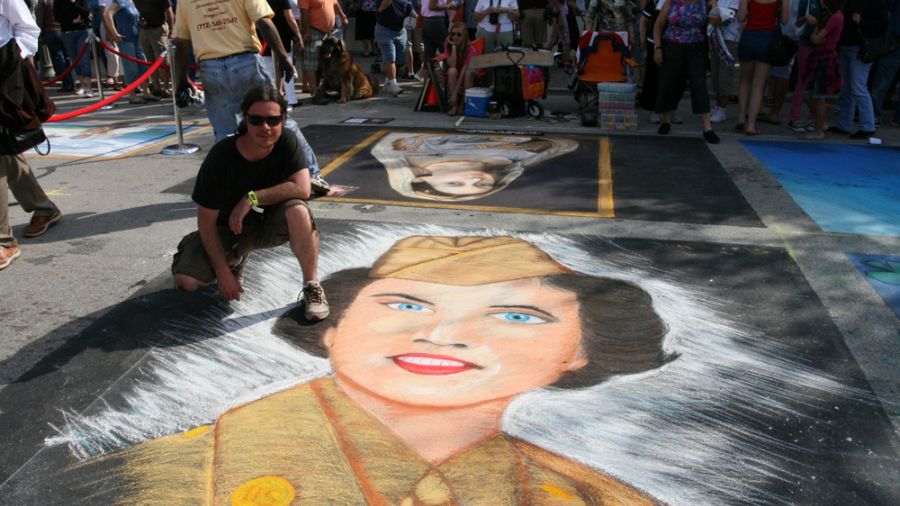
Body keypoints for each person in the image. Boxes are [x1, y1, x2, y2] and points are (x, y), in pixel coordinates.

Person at [81, 235, 671, 504]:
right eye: (406, 305)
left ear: (579, 350)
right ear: (332, 327)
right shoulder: (142, 483)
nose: (442, 335)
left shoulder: (601, 498)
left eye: (515, 315)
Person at [171, 85, 329, 321]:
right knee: (187, 282)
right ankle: (234, 259)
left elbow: (303, 188)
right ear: (245, 119)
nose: (265, 127)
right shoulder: (221, 157)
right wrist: (222, 272)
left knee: (298, 210)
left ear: (283, 120)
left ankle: (311, 285)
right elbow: (206, 222)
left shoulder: (287, 141)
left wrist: (251, 198)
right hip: (229, 229)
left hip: (269, 224)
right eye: (256, 120)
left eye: (273, 120)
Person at [172, 0, 329, 194]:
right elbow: (264, 22)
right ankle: (311, 173)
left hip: (211, 68)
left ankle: (230, 184)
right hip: (245, 62)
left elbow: (181, 40)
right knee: (278, 120)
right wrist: (283, 57)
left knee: (224, 132)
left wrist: (181, 80)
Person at [1, 0, 63, 270]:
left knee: (1, 150)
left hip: (4, 72)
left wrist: (17, 61)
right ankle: (43, 207)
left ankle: (3, 241)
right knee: (6, 151)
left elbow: (27, 29)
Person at [374, 132, 578, 200]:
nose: (473, 179)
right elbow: (559, 144)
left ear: (421, 179)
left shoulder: (406, 155)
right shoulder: (510, 158)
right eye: (482, 185)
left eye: (454, 183)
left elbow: (396, 140)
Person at [652, 0, 721, 143]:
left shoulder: (705, 3)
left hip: (697, 47)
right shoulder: (671, 2)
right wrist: (657, 48)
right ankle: (666, 120)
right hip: (672, 45)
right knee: (669, 83)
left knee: (699, 84)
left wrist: (715, 7)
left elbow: (715, 23)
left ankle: (707, 127)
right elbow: (658, 26)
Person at [827, 0, 890, 138]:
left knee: (857, 87)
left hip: (860, 47)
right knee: (849, 87)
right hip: (850, 45)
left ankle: (867, 125)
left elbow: (883, 24)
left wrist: (862, 22)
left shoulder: (875, 3)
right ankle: (846, 124)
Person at [734, 0, 789, 135]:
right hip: (767, 38)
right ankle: (751, 125)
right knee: (758, 84)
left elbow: (740, 17)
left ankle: (741, 118)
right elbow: (784, 20)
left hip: (749, 35)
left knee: (744, 80)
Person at [798, 0, 843, 138]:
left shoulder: (836, 17)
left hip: (826, 57)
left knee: (819, 96)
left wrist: (816, 34)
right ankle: (821, 122)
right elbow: (815, 38)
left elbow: (816, 38)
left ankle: (819, 130)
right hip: (819, 55)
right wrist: (816, 35)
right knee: (809, 93)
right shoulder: (828, 15)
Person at [103, 0, 160, 104]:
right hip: (126, 39)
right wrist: (114, 33)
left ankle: (146, 91)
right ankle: (132, 95)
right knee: (131, 67)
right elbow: (107, 15)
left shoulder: (132, 1)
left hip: (137, 37)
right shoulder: (119, 1)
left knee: (143, 65)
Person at [786, 0, 822, 131]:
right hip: (807, 43)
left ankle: (813, 117)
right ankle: (795, 117)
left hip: (822, 45)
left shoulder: (829, 4)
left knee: (816, 82)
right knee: (802, 80)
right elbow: (797, 22)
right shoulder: (807, 2)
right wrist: (806, 18)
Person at [300, 0, 348, 97]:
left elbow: (334, 3)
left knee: (324, 62)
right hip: (313, 31)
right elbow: (303, 13)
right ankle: (315, 93)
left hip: (328, 33)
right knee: (311, 63)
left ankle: (321, 90)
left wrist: (342, 16)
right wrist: (307, 31)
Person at [260, 0, 303, 108]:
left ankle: (272, 100)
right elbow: (290, 18)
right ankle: (291, 99)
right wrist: (298, 36)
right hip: (281, 37)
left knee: (269, 71)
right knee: (287, 68)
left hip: (264, 36)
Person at [708, 0, 742, 123]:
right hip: (716, 38)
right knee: (716, 75)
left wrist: (714, 5)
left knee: (725, 76)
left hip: (730, 39)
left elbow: (722, 19)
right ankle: (718, 106)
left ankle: (722, 109)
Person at [868, 0, 900, 127]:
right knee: (881, 82)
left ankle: (873, 115)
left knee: (881, 82)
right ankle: (873, 115)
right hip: (893, 42)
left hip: (893, 41)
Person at [133, 0, 174, 98]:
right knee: (149, 61)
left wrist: (172, 30)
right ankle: (156, 87)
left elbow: (169, 11)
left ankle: (166, 87)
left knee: (163, 61)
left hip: (158, 29)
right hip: (144, 30)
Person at [54, 0, 94, 97]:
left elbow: (86, 12)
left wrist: (74, 2)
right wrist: (72, 21)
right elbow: (57, 16)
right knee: (75, 60)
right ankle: (82, 85)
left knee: (84, 60)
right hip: (67, 33)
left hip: (82, 31)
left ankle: (88, 87)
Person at [35, 0, 76, 92]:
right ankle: (72, 81)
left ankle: (67, 83)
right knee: (68, 57)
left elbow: (40, 19)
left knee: (58, 59)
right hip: (64, 29)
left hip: (51, 31)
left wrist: (40, 34)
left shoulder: (44, 1)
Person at [376, 0, 414, 95]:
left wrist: (420, 19)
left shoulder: (406, 2)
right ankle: (393, 85)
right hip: (384, 30)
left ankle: (388, 82)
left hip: (401, 31)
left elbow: (411, 12)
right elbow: (379, 10)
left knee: (401, 59)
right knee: (390, 58)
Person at [442, 21, 478, 115]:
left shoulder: (471, 49)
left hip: (468, 74)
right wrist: (453, 46)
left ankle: (463, 105)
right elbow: (452, 65)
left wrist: (455, 93)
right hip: (456, 73)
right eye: (453, 34)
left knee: (467, 73)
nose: (455, 37)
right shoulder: (448, 46)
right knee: (452, 71)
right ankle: (454, 106)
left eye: (459, 34)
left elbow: (464, 70)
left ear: (465, 36)